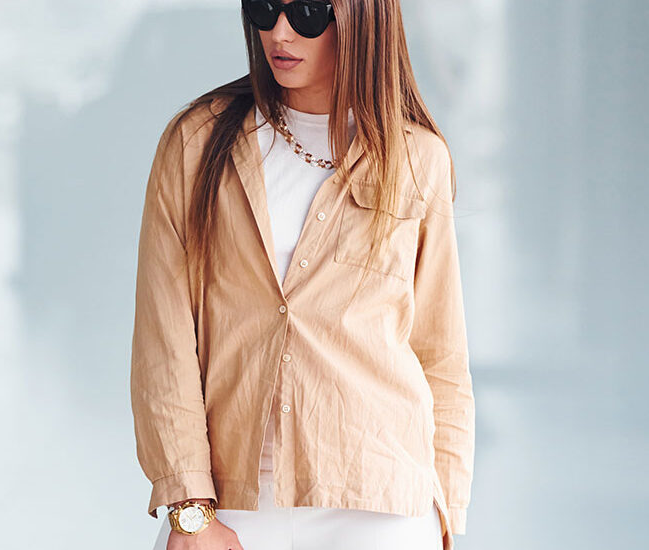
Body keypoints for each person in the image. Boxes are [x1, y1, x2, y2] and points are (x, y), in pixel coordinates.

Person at [130, 1, 475, 549]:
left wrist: (444, 516)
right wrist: (189, 509)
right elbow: (164, 340)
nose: (280, 32)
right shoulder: (198, 145)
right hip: (232, 500)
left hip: (381, 503)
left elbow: (441, 356)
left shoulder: (418, 159)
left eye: (308, 13)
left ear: (361, 17)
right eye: (264, 8)